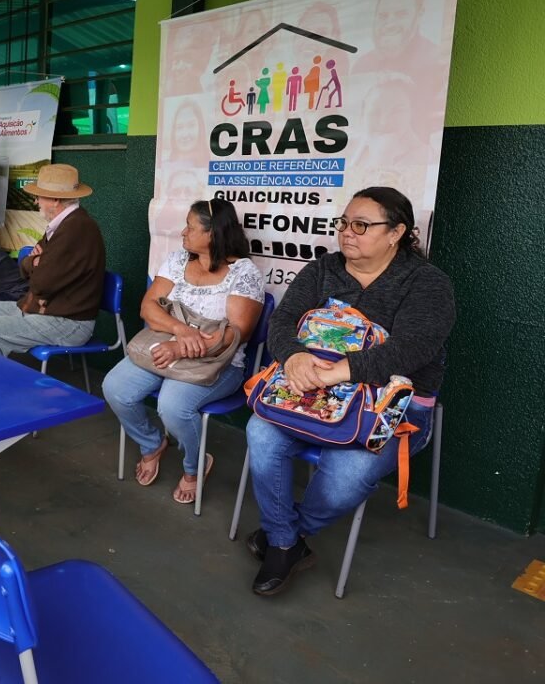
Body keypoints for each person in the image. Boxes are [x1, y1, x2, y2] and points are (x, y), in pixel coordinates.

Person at [245, 187, 455, 596]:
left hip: (390, 410)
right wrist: (294, 357)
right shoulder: (323, 268)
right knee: (260, 432)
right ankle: (285, 544)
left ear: (396, 233)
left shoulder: (426, 283)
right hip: (309, 396)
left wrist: (339, 373)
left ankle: (283, 534)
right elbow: (282, 321)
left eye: (361, 225)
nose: (347, 232)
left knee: (348, 476)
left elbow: (411, 348)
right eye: (344, 223)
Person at [102, 199, 263, 504]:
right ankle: (152, 444)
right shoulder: (177, 260)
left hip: (217, 362)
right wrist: (180, 331)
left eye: (190, 227)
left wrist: (182, 347)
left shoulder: (244, 272)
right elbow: (148, 307)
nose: (183, 232)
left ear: (213, 233)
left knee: (172, 407)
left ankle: (195, 465)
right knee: (115, 388)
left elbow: (236, 334)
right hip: (165, 346)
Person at [0, 163, 105, 356]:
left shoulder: (76, 229)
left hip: (69, 322)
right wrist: (34, 262)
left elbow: (40, 285)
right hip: (46, 310)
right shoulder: (64, 224)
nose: (35, 201)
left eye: (39, 196)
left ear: (55, 199)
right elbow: (25, 267)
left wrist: (35, 262)